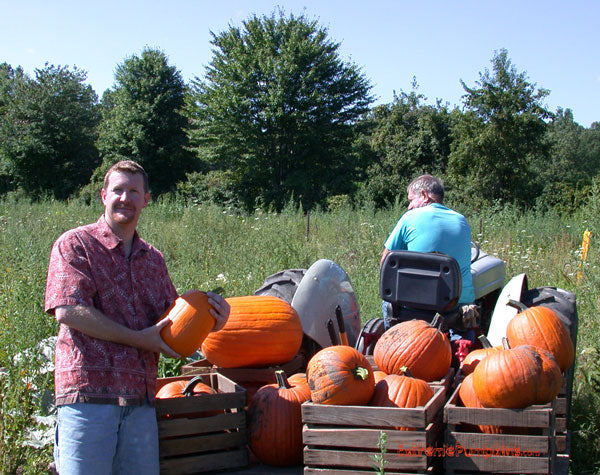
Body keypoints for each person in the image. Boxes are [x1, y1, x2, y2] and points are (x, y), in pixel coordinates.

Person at [45, 160, 230, 474]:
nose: (124, 198)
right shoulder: (76, 245)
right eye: (117, 190)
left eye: (134, 191)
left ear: (146, 199)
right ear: (104, 195)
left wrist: (215, 320)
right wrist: (138, 339)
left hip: (140, 402)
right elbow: (68, 310)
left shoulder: (153, 259)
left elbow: (171, 325)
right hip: (87, 398)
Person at [381, 174, 476, 337]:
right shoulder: (462, 221)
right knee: (468, 303)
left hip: (413, 308)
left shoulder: (409, 218)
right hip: (455, 306)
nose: (409, 206)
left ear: (424, 195)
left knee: (387, 302)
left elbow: (386, 262)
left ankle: (393, 340)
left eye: (411, 200)